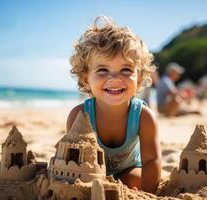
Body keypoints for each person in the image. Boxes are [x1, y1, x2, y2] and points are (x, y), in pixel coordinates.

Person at [66, 16, 161, 194]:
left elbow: (151, 160)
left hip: (128, 170)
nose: (115, 78)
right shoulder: (79, 115)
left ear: (139, 78)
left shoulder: (143, 116)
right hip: (89, 173)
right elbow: (72, 158)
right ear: (86, 79)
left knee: (135, 180)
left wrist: (148, 195)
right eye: (103, 70)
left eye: (126, 69)